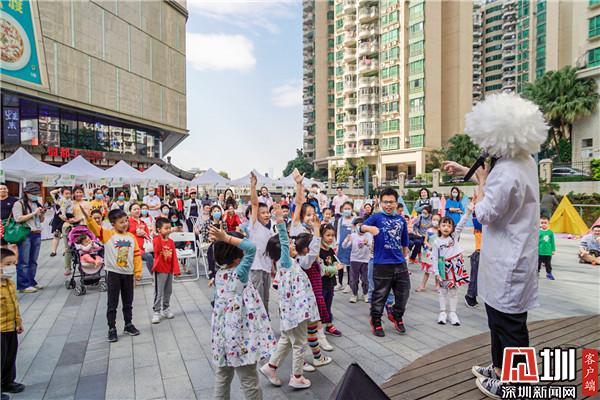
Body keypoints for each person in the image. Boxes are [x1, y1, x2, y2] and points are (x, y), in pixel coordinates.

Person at [444, 92, 547, 398]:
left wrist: (478, 184)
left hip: (508, 260)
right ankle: (501, 369)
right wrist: (469, 171)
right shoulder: (521, 161)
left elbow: (484, 212)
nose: (483, 146)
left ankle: (518, 384)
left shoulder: (506, 171)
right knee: (498, 319)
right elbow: (497, 188)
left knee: (509, 325)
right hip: (510, 256)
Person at [208, 225, 275, 400]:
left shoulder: (219, 274)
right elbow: (252, 248)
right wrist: (226, 238)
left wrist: (222, 240)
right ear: (238, 258)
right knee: (249, 380)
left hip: (222, 337)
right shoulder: (240, 272)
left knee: (222, 376)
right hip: (240, 339)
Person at [260, 204, 320, 390]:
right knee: (299, 343)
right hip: (296, 314)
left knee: (286, 340)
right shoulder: (285, 262)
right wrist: (279, 221)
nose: (293, 244)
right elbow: (285, 242)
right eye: (289, 244)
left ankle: (270, 367)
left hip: (291, 312)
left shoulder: (291, 263)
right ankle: (297, 376)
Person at [289, 169, 336, 359]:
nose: (311, 217)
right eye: (307, 215)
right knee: (308, 309)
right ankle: (308, 348)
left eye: (313, 214)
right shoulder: (297, 228)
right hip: (302, 273)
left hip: (314, 272)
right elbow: (299, 203)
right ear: (300, 217)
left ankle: (320, 337)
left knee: (317, 305)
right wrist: (299, 184)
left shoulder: (313, 229)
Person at [82, 206, 142, 342]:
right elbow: (94, 228)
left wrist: (137, 272)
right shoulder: (107, 235)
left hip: (128, 274)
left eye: (126, 221)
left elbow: (137, 255)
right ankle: (112, 328)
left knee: (128, 302)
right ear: (113, 224)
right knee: (112, 303)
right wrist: (88, 218)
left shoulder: (132, 237)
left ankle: (128, 324)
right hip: (114, 274)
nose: (125, 224)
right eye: (121, 222)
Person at [359, 187, 410, 337]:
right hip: (381, 264)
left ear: (396, 203)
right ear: (381, 203)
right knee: (380, 295)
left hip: (399, 263)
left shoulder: (401, 220)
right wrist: (370, 228)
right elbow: (360, 228)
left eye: (391, 202)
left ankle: (397, 315)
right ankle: (376, 321)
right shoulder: (377, 217)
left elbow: (405, 243)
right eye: (386, 202)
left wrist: (404, 260)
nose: (388, 205)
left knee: (404, 293)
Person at [432, 203, 473, 326]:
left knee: (454, 291)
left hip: (455, 267)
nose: (446, 228)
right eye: (443, 225)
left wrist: (468, 212)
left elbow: (461, 224)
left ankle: (453, 313)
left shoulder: (454, 237)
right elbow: (435, 258)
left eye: (449, 226)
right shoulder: (436, 242)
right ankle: (443, 312)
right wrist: (436, 272)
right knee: (442, 291)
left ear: (452, 228)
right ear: (439, 227)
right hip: (443, 268)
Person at [247, 173, 276, 313]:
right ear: (256, 215)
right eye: (263, 213)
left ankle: (265, 319)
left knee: (266, 297)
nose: (267, 215)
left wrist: (273, 267)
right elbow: (254, 204)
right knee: (257, 297)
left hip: (266, 268)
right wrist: (253, 187)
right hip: (256, 268)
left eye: (267, 212)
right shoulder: (254, 226)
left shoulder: (269, 231)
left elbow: (270, 252)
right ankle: (257, 320)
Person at [12, 183, 46, 294]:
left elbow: (41, 220)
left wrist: (41, 214)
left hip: (37, 233)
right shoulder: (19, 203)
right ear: (27, 193)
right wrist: (33, 213)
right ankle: (23, 285)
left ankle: (31, 282)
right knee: (24, 261)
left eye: (37, 193)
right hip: (25, 234)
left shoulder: (37, 203)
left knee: (33, 261)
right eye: (34, 193)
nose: (36, 195)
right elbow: (18, 218)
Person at [0, 248, 25, 398]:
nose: (11, 267)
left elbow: (14, 304)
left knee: (10, 356)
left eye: (13, 264)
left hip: (11, 326)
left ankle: (7, 382)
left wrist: (18, 322)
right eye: (7, 264)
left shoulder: (9, 283)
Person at [151, 217, 181, 324]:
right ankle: (156, 311)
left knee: (168, 291)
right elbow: (156, 250)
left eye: (169, 228)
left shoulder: (171, 242)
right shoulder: (156, 240)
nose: (168, 230)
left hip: (169, 270)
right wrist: (157, 236)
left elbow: (174, 257)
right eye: (166, 228)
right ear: (159, 230)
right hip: (160, 270)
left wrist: (176, 270)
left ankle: (166, 308)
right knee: (159, 292)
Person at [318, 224, 343, 334]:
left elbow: (335, 262)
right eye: (328, 235)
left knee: (328, 304)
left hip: (330, 282)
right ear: (321, 236)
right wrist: (335, 268)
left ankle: (329, 325)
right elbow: (323, 270)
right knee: (320, 305)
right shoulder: (318, 251)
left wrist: (336, 266)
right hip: (321, 284)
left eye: (332, 235)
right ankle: (317, 328)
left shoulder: (330, 250)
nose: (330, 238)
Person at [342, 217, 372, 303]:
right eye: (359, 225)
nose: (361, 227)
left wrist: (368, 243)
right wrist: (347, 240)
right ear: (355, 227)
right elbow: (344, 246)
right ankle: (354, 294)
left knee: (365, 279)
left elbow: (372, 246)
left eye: (363, 226)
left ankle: (365, 294)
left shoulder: (369, 235)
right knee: (354, 279)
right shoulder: (353, 235)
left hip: (365, 260)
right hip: (354, 260)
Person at [63, 186, 90, 276]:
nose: (78, 194)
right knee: (68, 248)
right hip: (69, 227)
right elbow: (62, 214)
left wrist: (79, 219)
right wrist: (68, 219)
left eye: (80, 192)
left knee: (84, 247)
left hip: (83, 227)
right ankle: (67, 267)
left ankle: (84, 264)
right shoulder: (69, 203)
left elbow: (88, 215)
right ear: (73, 194)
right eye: (77, 192)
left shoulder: (87, 203)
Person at [416, 213, 441, 292]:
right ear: (431, 220)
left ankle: (437, 285)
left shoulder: (441, 231)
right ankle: (422, 285)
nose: (435, 221)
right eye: (434, 219)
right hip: (429, 253)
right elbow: (425, 241)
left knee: (437, 270)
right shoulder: (429, 230)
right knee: (427, 271)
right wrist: (429, 246)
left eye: (437, 220)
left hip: (439, 253)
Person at [128, 203, 153, 274]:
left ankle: (162, 274)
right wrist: (135, 233)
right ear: (130, 211)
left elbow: (148, 237)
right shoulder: (127, 222)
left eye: (138, 209)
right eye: (134, 209)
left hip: (145, 247)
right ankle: (154, 276)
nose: (137, 211)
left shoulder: (143, 223)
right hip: (134, 248)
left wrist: (144, 234)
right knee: (149, 256)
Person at [464, 211, 483, 308]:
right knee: (475, 278)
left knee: (478, 278)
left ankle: (472, 296)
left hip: (484, 254)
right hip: (479, 254)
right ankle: (470, 296)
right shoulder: (478, 224)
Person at [335, 202, 354, 292]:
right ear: (342, 210)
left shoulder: (354, 219)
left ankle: (349, 284)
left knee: (350, 265)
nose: (347, 210)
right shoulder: (340, 220)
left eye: (348, 208)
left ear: (352, 209)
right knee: (340, 264)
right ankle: (339, 283)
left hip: (351, 246)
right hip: (341, 245)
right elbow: (338, 233)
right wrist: (337, 244)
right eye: (345, 209)